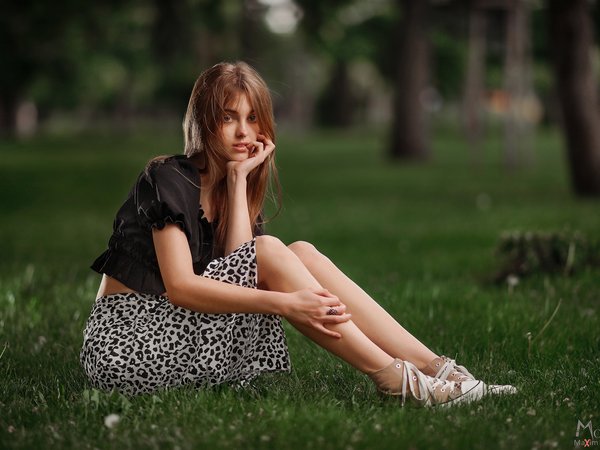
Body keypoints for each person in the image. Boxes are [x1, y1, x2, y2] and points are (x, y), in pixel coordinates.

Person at [80, 61, 516, 406]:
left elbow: (239, 265)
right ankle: (397, 381)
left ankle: (437, 370)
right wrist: (287, 304)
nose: (243, 131)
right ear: (204, 121)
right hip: (129, 345)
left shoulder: (233, 184)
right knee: (270, 250)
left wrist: (236, 182)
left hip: (178, 337)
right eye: (228, 117)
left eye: (253, 119)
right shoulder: (167, 177)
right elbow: (181, 287)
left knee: (300, 251)